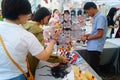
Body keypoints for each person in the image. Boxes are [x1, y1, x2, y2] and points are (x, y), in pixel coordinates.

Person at [0, 0, 62, 80]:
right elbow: (44, 56)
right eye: (27, 13)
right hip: (17, 76)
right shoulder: (26, 35)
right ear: (20, 14)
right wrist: (54, 38)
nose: (29, 16)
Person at [23, 7, 67, 76]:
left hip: (22, 65)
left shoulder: (26, 25)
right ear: (43, 17)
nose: (48, 21)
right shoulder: (36, 30)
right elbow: (43, 54)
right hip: (30, 65)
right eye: (48, 18)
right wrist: (60, 58)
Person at [80, 2, 108, 73]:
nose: (88, 14)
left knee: (93, 69)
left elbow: (100, 34)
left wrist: (87, 38)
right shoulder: (97, 17)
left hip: (95, 47)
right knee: (92, 67)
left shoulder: (100, 17)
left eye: (87, 12)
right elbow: (96, 32)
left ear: (92, 9)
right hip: (92, 46)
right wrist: (87, 35)